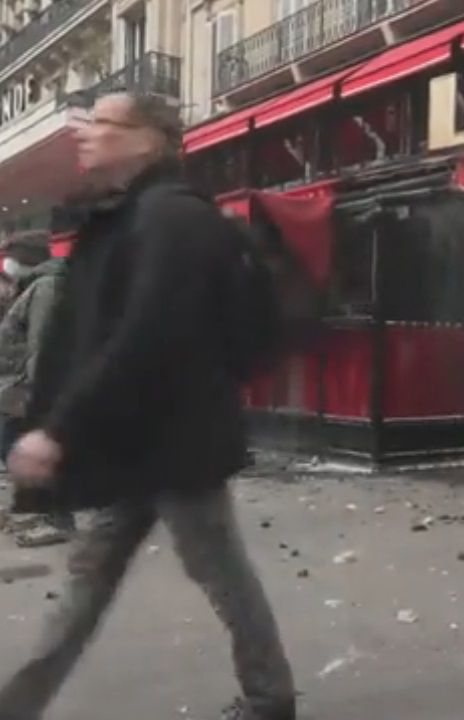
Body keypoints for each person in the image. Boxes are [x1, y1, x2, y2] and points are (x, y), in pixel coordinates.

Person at [0, 92, 295, 720]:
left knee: (218, 574)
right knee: (88, 582)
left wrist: (57, 430)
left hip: (178, 447)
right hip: (132, 444)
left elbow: (144, 332)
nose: (86, 134)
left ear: (147, 140)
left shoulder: (169, 218)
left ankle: (271, 698)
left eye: (104, 124)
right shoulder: (130, 215)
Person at [0, 231, 74, 547]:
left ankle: (57, 517)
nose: (7, 264)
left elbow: (40, 344)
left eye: (10, 257)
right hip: (19, 386)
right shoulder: (35, 287)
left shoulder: (44, 287)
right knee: (14, 444)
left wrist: (36, 389)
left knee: (19, 445)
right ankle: (41, 509)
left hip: (29, 387)